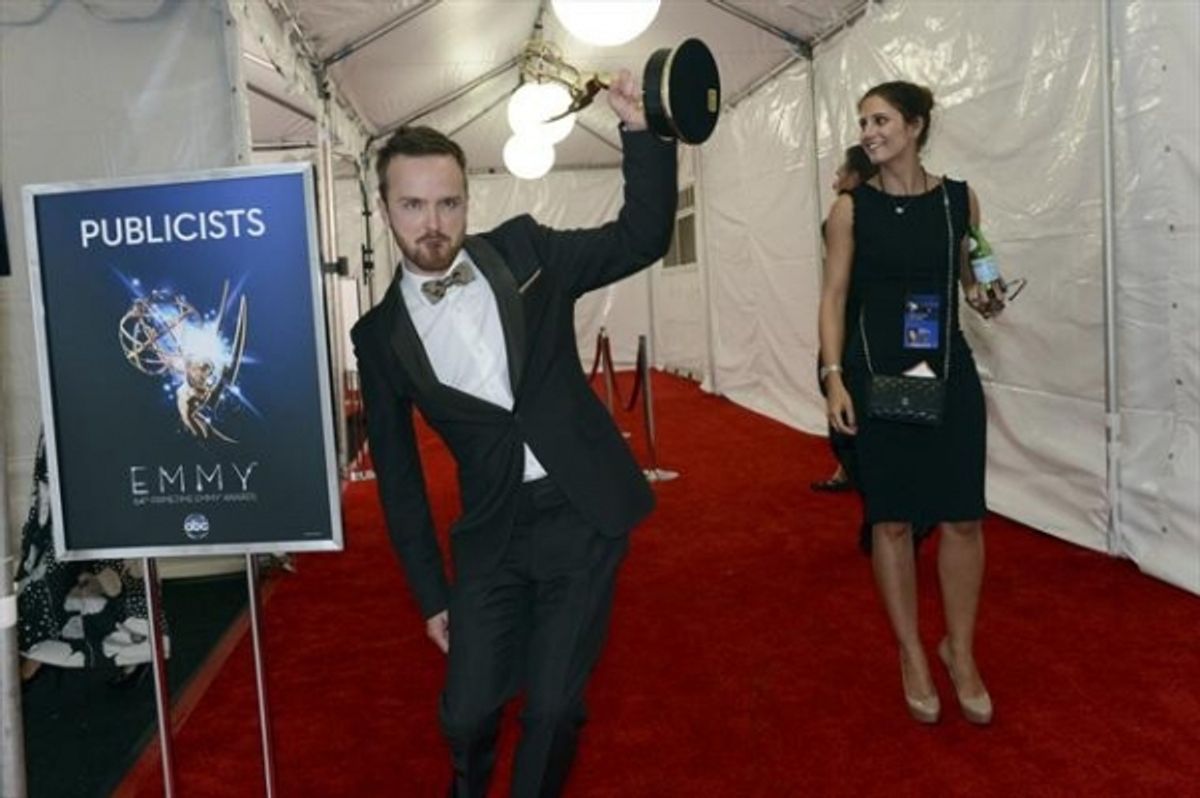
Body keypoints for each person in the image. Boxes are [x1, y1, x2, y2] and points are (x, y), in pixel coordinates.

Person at [351, 70, 676, 797]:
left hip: (582, 509)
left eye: (447, 202)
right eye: (411, 205)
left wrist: (639, 130)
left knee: (556, 707)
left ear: (468, 200)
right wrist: (433, 595)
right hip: (492, 533)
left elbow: (642, 236)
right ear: (383, 208)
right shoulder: (378, 338)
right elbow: (398, 482)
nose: (432, 223)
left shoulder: (527, 252)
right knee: (464, 716)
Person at [818, 80, 998, 726]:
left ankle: (961, 651)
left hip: (947, 373)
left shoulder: (958, 200)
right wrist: (835, 377)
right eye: (863, 120)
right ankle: (912, 653)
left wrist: (986, 295)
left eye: (882, 119)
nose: (869, 131)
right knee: (890, 521)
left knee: (963, 518)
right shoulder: (850, 209)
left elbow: (977, 278)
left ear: (916, 126)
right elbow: (834, 297)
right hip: (875, 378)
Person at [811, 144, 876, 493]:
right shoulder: (845, 213)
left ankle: (854, 465)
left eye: (841, 172)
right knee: (834, 381)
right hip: (848, 310)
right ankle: (847, 466)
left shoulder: (849, 212)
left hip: (859, 314)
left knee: (843, 382)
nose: (835, 179)